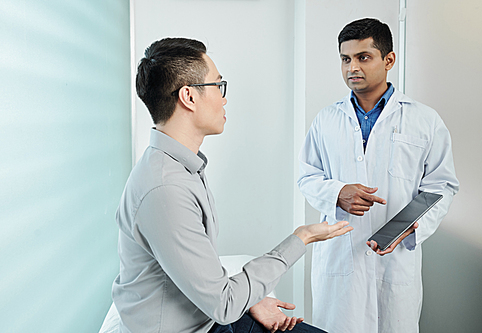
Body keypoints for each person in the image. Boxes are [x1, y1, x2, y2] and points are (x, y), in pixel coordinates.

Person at [111, 37, 352, 333]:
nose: (224, 98)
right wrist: (300, 238)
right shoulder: (165, 189)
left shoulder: (182, 166)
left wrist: (249, 300)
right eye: (218, 85)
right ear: (189, 97)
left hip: (208, 317)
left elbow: (203, 278)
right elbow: (224, 304)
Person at [297, 18, 459, 332]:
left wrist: (411, 228)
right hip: (340, 261)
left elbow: (442, 185)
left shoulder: (424, 120)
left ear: (389, 60)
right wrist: (338, 192)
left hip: (395, 260)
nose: (351, 67)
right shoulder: (326, 119)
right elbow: (307, 176)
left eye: (363, 57)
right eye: (346, 59)